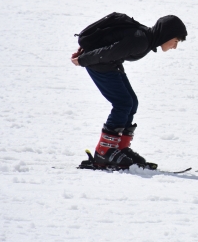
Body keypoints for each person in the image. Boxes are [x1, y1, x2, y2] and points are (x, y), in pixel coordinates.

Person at [71, 14, 187, 169]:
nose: (175, 46)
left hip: (108, 64)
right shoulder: (142, 40)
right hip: (100, 64)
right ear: (167, 35)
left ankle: (120, 148)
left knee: (131, 103)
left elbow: (112, 46)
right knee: (123, 103)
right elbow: (108, 52)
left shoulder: (145, 38)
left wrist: (87, 53)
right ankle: (104, 151)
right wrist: (83, 59)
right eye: (176, 41)